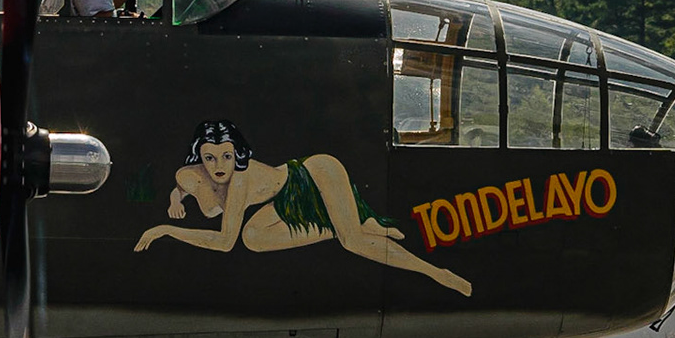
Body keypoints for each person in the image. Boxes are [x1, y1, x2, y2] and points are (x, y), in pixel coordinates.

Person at [133, 120, 472, 296]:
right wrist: (175, 200)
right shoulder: (190, 174)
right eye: (210, 158)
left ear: (237, 154)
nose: (219, 165)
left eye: (227, 156)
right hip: (283, 201)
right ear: (199, 158)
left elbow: (223, 243)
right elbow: (182, 186)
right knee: (254, 236)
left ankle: (435, 273)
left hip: (313, 174)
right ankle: (350, 223)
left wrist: (165, 230)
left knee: (351, 242)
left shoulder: (239, 180)